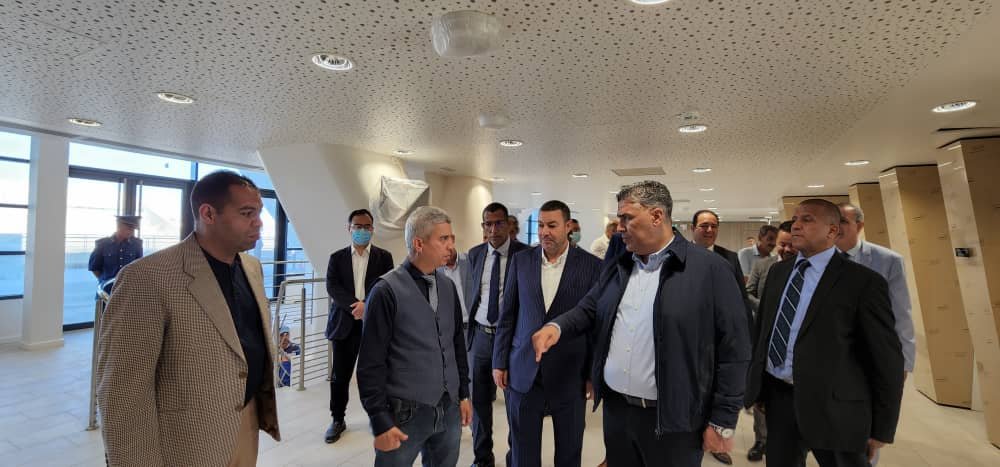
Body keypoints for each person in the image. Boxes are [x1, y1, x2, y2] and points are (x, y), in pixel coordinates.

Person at [532, 180, 750, 467]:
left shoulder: (710, 270)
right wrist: (556, 327)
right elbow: (590, 306)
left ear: (656, 216)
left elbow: (735, 350)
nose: (619, 227)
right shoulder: (620, 264)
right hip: (617, 413)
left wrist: (722, 420)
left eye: (627, 218)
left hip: (674, 422)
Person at [96, 170, 280, 466]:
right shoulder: (147, 277)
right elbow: (123, 393)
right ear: (208, 214)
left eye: (259, 212)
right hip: (186, 441)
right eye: (247, 213)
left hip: (246, 420)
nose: (258, 222)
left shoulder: (252, 267)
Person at [744, 199, 904, 467]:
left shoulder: (863, 282)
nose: (796, 225)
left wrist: (881, 428)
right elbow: (764, 333)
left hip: (835, 407)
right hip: (780, 400)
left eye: (807, 219)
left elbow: (886, 359)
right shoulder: (778, 272)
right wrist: (759, 389)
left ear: (832, 230)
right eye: (796, 219)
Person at [357, 206, 472, 466]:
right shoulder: (386, 291)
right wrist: (379, 419)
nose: (451, 246)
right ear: (419, 244)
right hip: (404, 412)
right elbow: (370, 362)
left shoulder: (448, 286)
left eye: (452, 238)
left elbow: (456, 344)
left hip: (449, 407)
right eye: (443, 239)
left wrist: (464, 393)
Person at [492, 200, 601, 467]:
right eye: (541, 225)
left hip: (570, 372)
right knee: (522, 451)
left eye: (552, 225)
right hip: (523, 369)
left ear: (568, 226)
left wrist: (591, 374)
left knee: (569, 451)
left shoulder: (592, 266)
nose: (544, 232)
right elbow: (508, 315)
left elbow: (594, 325)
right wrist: (499, 361)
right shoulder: (521, 261)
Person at [466, 202, 530, 467]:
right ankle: (482, 459)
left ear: (508, 224)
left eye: (498, 223)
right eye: (488, 224)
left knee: (515, 405)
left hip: (513, 340)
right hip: (480, 337)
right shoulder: (475, 254)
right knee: (479, 403)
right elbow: (472, 294)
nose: (493, 229)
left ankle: (515, 458)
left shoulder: (526, 255)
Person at [323, 208, 395, 443]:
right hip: (344, 324)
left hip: (373, 325)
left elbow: (386, 285)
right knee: (340, 376)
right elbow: (332, 286)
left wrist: (367, 305)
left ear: (372, 229)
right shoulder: (337, 258)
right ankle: (337, 419)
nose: (362, 230)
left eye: (366, 227)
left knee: (375, 375)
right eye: (357, 226)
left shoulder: (384, 257)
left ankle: (378, 418)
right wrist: (356, 306)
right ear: (349, 228)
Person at [690, 209, 752, 466]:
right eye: (704, 225)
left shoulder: (729, 257)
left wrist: (746, 334)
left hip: (722, 338)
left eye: (713, 226)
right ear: (693, 228)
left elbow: (740, 299)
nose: (709, 230)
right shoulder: (682, 256)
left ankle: (717, 441)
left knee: (723, 388)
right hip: (693, 338)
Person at [836, 203, 915, 375]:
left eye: (843, 221)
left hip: (875, 353)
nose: (836, 227)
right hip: (833, 356)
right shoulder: (817, 260)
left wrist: (904, 363)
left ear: (859, 226)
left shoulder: (888, 260)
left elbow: (901, 312)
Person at [743, 220, 797, 463]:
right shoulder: (763, 265)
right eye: (781, 245)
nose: (786, 249)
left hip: (793, 347)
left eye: (790, 245)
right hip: (765, 335)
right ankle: (761, 440)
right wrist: (767, 308)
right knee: (762, 392)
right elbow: (748, 292)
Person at [88, 215, 143, 295]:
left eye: (133, 229)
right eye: (128, 228)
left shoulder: (136, 244)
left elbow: (138, 266)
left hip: (128, 290)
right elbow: (94, 267)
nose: (131, 232)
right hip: (106, 291)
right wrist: (105, 281)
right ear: (119, 226)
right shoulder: (102, 244)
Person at [438, 239, 474, 330]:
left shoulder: (470, 260)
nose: (446, 252)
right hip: (453, 328)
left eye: (447, 248)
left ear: (452, 244)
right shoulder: (436, 271)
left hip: (474, 325)